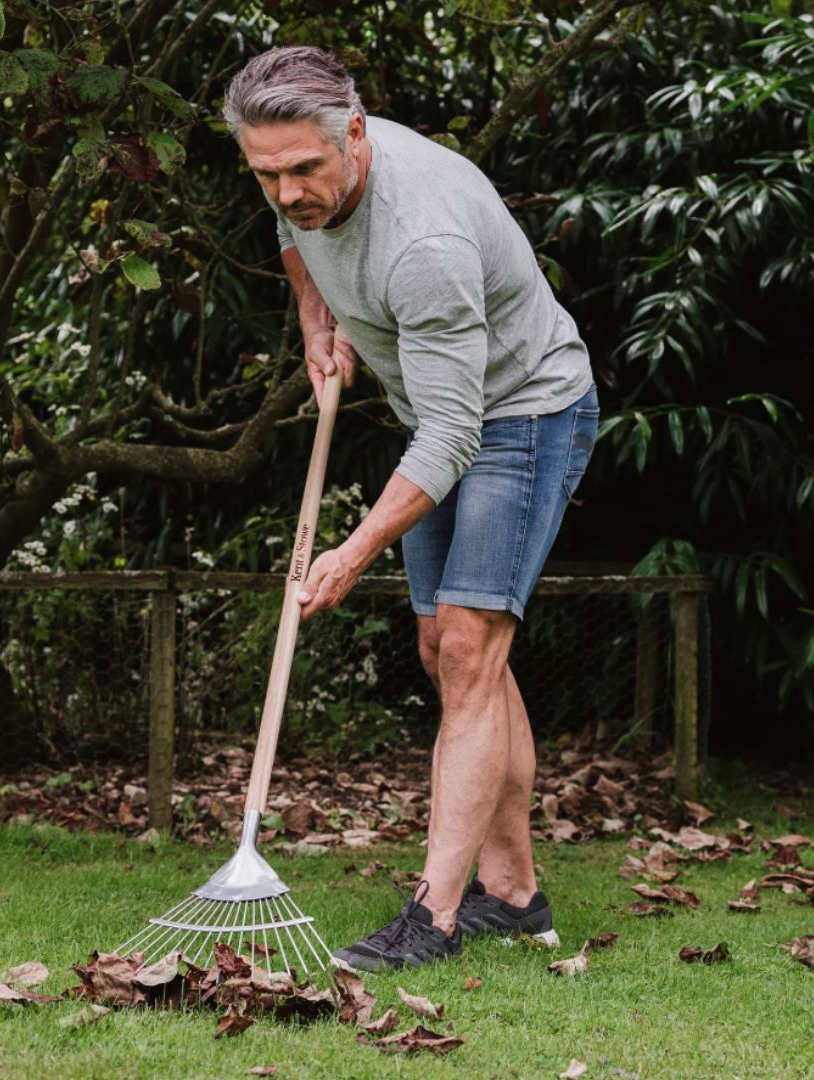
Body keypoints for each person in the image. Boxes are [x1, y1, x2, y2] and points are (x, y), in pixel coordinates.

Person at [222, 46, 598, 972]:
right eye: (266, 172)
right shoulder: (292, 163)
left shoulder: (421, 240)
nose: (287, 190)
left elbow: (450, 439)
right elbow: (293, 234)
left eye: (304, 170)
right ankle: (513, 895)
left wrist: (350, 552)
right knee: (447, 649)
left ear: (355, 137)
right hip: (444, 416)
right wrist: (316, 315)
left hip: (524, 413)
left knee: (469, 644)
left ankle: (431, 919)